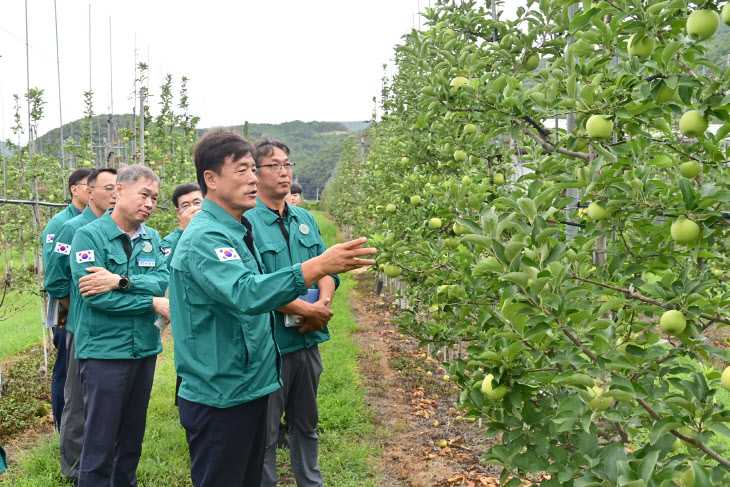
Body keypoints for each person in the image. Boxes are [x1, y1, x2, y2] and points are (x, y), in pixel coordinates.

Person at [168, 128, 375, 487]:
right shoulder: (206, 237)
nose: (252, 178)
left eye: (253, 169)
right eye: (243, 170)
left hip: (248, 383)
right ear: (211, 179)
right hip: (221, 392)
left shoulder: (235, 229)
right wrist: (318, 266)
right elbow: (247, 292)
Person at [70, 164, 170, 487]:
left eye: (154, 198)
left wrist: (121, 281)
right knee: (99, 444)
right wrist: (151, 302)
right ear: (120, 191)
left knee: (130, 442)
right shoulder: (89, 236)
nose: (150, 203)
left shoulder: (152, 238)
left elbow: (162, 281)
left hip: (143, 352)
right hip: (104, 354)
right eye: (145, 194)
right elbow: (96, 298)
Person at [247, 137, 334, 487]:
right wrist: (307, 309)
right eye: (274, 165)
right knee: (266, 432)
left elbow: (326, 267)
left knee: (306, 424)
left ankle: (311, 482)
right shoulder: (246, 222)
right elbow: (255, 283)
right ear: (255, 172)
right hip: (272, 344)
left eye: (287, 164)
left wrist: (322, 306)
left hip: (307, 340)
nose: (284, 172)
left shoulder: (304, 218)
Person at [44, 168, 118, 484]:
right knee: (73, 390)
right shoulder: (69, 228)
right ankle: (73, 465)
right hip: (74, 321)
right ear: (86, 191)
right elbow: (57, 281)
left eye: (119, 187)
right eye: (109, 187)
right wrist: (68, 323)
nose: (116, 193)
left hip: (105, 325)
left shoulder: (115, 227)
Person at [41, 166, 93, 430]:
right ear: (75, 189)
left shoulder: (96, 220)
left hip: (86, 311)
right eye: (89, 184)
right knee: (66, 368)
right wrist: (70, 310)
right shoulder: (61, 224)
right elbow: (55, 277)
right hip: (67, 311)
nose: (94, 189)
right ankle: (63, 426)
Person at [159, 182, 203, 405]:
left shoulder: (217, 234)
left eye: (197, 202)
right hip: (186, 313)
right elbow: (163, 270)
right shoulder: (170, 242)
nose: (193, 208)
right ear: (178, 213)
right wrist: (185, 233)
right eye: (186, 206)